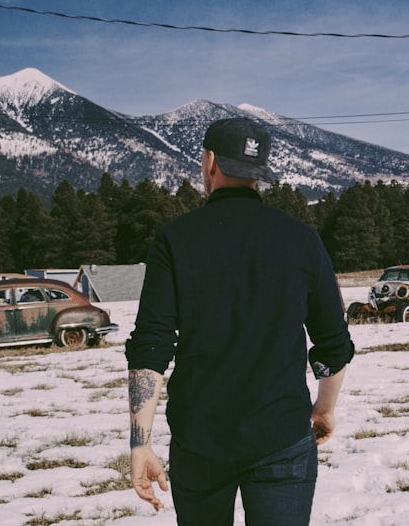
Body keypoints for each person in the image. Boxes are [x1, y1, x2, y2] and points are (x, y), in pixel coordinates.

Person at [126, 117, 354, 525]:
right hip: (282, 436)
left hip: (200, 441)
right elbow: (333, 341)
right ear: (259, 172)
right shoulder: (301, 238)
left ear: (210, 161)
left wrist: (140, 444)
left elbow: (151, 347)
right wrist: (324, 407)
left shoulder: (175, 239)